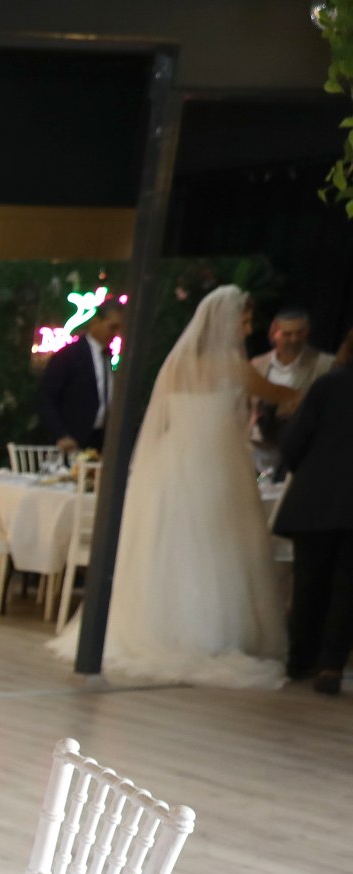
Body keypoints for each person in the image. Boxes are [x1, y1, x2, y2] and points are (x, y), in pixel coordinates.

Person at [50, 285, 305, 687]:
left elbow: (163, 419)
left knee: (173, 547)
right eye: (243, 321)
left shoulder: (176, 365)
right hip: (215, 466)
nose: (247, 329)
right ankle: (208, 632)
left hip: (173, 463)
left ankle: (166, 625)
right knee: (213, 546)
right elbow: (281, 394)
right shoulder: (234, 367)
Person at [273, 329, 353, 693]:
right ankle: (331, 665)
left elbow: (295, 441)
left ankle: (299, 659)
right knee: (347, 587)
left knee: (309, 581)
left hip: (317, 496)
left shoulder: (327, 385)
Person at [250, 307, 335, 476]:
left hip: (298, 456)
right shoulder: (258, 365)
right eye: (287, 334)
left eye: (299, 333)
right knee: (260, 485)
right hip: (260, 453)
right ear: (274, 333)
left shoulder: (325, 365)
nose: (294, 339)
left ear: (307, 332)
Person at [37, 298, 124, 454]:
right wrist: (61, 434)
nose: (115, 334)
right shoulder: (69, 355)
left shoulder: (108, 357)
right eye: (112, 327)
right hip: (73, 439)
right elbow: (46, 398)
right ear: (95, 323)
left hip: (100, 439)